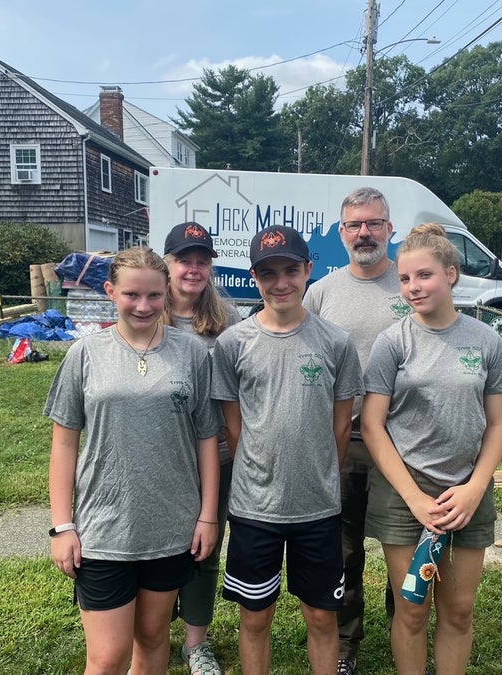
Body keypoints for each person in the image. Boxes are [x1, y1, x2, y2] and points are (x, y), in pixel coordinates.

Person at [45, 247, 221, 675]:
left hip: (171, 527)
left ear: (167, 293)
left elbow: (207, 439)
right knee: (107, 657)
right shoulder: (85, 354)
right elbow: (64, 446)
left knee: (153, 639)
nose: (143, 306)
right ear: (111, 291)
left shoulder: (192, 354)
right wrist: (63, 526)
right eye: (131, 295)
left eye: (154, 295)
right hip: (104, 529)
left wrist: (208, 516)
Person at [361, 223, 502, 674]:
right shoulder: (393, 342)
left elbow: (497, 425)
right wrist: (414, 498)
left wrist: (475, 488)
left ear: (451, 274)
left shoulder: (486, 341)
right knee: (412, 608)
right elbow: (372, 425)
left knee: (459, 610)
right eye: (405, 279)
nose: (413, 287)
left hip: (468, 489)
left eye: (424, 275)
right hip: (404, 490)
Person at [211, 225, 364, 675]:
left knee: (320, 616)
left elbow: (342, 425)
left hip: (317, 508)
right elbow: (234, 427)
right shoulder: (233, 343)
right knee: (256, 617)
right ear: (254, 277)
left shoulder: (335, 342)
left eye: (290, 271)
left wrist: (318, 474)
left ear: (308, 270)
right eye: (268, 273)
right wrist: (261, 472)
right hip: (254, 508)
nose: (281, 283)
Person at [303, 187, 409, 675]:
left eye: (373, 223)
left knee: (401, 547)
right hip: (342, 442)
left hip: (405, 443)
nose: (364, 233)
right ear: (342, 232)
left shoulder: (410, 285)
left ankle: (405, 631)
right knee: (342, 551)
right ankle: (346, 643)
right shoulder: (321, 293)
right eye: (354, 225)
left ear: (390, 228)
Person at [162, 221, 241, 675]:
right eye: (184, 260)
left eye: (201, 261)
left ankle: (197, 644)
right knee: (158, 547)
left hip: (219, 457)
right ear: (168, 264)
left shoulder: (228, 322)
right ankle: (151, 634)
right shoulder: (148, 314)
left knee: (205, 548)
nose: (193, 269)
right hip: (163, 456)